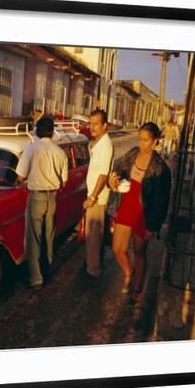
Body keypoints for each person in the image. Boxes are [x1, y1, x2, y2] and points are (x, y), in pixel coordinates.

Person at [108, 122, 172, 304]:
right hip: (126, 206)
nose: (142, 144)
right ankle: (129, 272)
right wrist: (114, 178)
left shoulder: (161, 168)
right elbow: (118, 168)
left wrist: (154, 226)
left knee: (139, 251)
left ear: (155, 141)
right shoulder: (133, 153)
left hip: (145, 213)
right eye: (140, 139)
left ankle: (137, 288)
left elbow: (162, 202)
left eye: (146, 140)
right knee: (118, 249)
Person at [16, 117, 68, 288]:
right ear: (52, 131)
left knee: (33, 238)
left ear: (37, 131)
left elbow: (20, 176)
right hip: (52, 197)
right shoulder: (60, 152)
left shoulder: (31, 148)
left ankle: (36, 278)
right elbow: (64, 181)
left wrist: (29, 179)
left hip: (36, 196)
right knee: (49, 235)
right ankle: (47, 267)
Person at [82, 109, 114, 278]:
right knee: (90, 235)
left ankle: (93, 271)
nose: (91, 127)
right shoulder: (98, 142)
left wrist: (92, 197)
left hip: (98, 197)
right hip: (94, 195)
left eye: (95, 124)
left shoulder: (105, 145)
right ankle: (90, 264)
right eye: (90, 123)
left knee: (94, 237)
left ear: (104, 125)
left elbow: (103, 174)